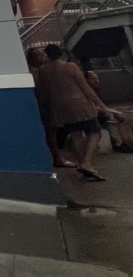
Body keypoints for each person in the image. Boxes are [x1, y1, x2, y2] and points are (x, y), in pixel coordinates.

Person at [37, 44, 124, 181]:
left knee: (75, 135)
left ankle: (83, 166)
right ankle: (87, 163)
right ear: (61, 54)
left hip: (60, 107)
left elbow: (43, 92)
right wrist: (102, 106)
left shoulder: (43, 70)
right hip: (79, 104)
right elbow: (85, 88)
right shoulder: (70, 66)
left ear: (47, 54)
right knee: (95, 132)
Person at [27, 47, 72, 168]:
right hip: (43, 105)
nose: (42, 58)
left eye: (43, 55)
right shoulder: (34, 72)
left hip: (45, 104)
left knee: (51, 131)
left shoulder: (39, 70)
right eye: (38, 56)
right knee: (50, 132)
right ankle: (57, 158)